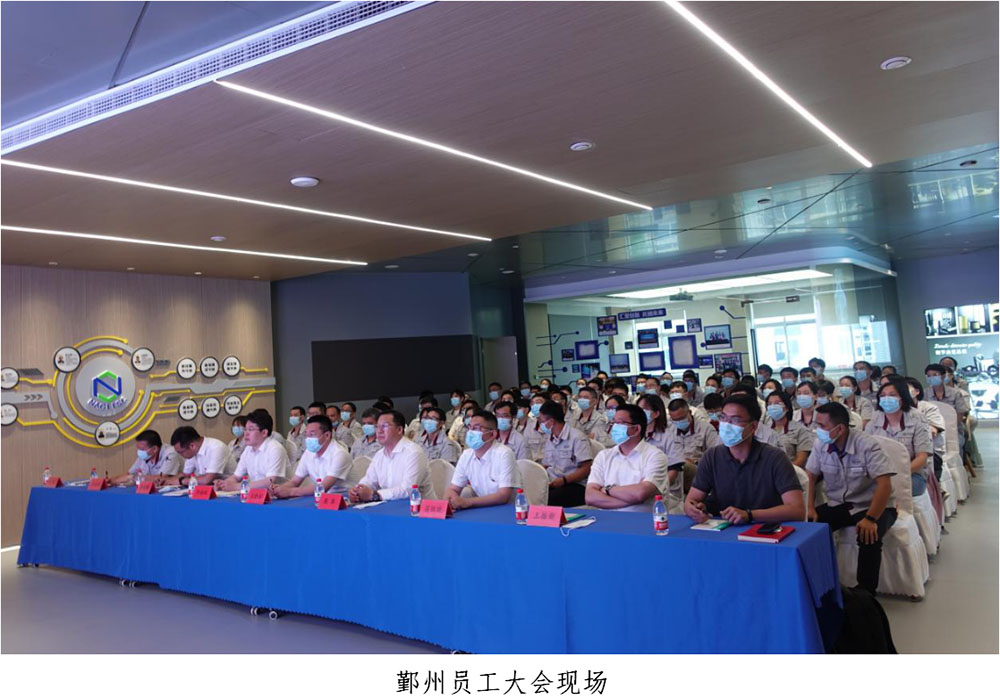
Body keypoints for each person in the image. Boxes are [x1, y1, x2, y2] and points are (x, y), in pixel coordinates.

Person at [806, 402, 897, 594]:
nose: (817, 430)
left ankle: (865, 593)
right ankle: (818, 583)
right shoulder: (820, 444)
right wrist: (810, 508)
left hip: (872, 505)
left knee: (869, 536)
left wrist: (871, 518)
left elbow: (884, 485)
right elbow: (811, 476)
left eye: (822, 426)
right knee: (808, 526)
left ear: (840, 429)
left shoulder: (867, 445)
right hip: (839, 504)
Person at [685, 395, 804, 524]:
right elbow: (691, 500)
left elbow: (797, 510)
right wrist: (694, 509)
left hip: (764, 528)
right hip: (723, 527)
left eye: (735, 420)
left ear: (753, 427)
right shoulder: (712, 456)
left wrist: (750, 515)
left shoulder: (775, 458)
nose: (727, 425)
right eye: (723, 418)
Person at [585, 404, 669, 512]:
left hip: (641, 520)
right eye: (613, 422)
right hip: (607, 518)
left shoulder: (655, 456)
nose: (614, 427)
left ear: (636, 429)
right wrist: (630, 500)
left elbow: (640, 493)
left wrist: (607, 490)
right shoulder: (604, 456)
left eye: (620, 423)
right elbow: (590, 497)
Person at [865, 377, 933, 497]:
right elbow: (866, 452)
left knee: (892, 488)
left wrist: (901, 473)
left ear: (903, 397)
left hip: (911, 473)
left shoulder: (916, 419)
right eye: (883, 395)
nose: (886, 399)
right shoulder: (874, 421)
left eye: (892, 395)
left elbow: (922, 457)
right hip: (880, 473)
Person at [349, 410, 434, 502]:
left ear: (399, 430)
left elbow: (408, 490)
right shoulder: (380, 454)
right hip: (389, 505)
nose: (379, 431)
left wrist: (375, 495)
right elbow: (369, 480)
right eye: (377, 427)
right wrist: (358, 491)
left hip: (419, 507)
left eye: (384, 426)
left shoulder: (413, 452)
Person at [445, 411, 521, 510]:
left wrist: (467, 502)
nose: (470, 432)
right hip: (483, 509)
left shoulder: (504, 454)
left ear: (492, 434)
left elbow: (503, 496)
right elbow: (453, 488)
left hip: (509, 510)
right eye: (470, 427)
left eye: (476, 428)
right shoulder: (466, 455)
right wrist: (450, 499)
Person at [273, 415, 352, 498]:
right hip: (317, 496)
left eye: (312, 434)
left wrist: (290, 492)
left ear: (327, 435)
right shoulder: (309, 452)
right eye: (307, 434)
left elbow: (323, 487)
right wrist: (279, 489)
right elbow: (295, 481)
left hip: (340, 498)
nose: (308, 439)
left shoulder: (340, 454)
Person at [537, 400, 593, 507]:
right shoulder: (550, 438)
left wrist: (564, 480)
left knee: (547, 500)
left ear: (551, 421)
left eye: (541, 421)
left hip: (575, 484)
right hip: (553, 482)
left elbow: (586, 468)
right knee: (531, 494)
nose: (540, 424)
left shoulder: (577, 437)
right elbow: (547, 464)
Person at [217, 409, 290, 491]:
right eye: (245, 429)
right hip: (255, 494)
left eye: (250, 429)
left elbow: (269, 481)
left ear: (264, 433)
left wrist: (237, 486)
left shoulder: (275, 449)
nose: (246, 433)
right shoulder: (248, 450)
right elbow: (236, 477)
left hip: (279, 495)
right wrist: (224, 484)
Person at [667, 397, 722, 501]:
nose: (679, 422)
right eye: (675, 420)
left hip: (698, 469)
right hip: (676, 468)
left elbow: (716, 455)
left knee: (683, 466)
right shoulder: (669, 430)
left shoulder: (706, 428)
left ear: (690, 412)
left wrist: (696, 462)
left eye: (682, 418)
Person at [167, 426, 235, 486]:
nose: (180, 455)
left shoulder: (216, 448)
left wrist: (182, 481)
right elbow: (185, 474)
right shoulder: (192, 452)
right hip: (211, 487)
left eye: (181, 452)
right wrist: (167, 480)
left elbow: (207, 480)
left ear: (192, 446)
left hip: (229, 489)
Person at [110, 430, 182, 484]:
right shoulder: (145, 456)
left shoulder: (171, 453)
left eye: (142, 449)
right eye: (138, 449)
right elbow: (129, 474)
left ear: (154, 449)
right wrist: (110, 480)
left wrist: (134, 478)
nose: (139, 452)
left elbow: (161, 478)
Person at [763, 389, 812, 467]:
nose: (773, 406)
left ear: (786, 407)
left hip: (792, 470)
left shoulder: (800, 430)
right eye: (769, 404)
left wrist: (784, 471)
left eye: (777, 403)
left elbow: (801, 460)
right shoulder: (764, 430)